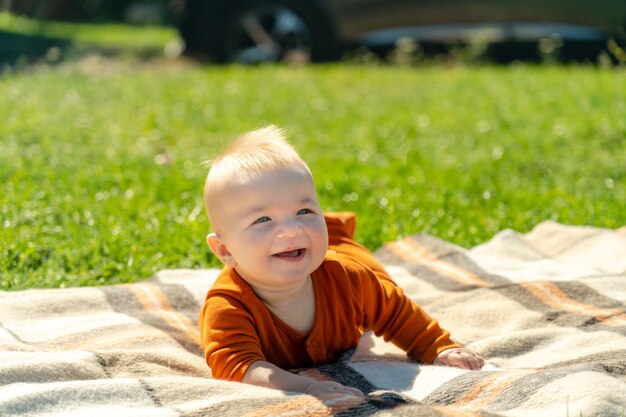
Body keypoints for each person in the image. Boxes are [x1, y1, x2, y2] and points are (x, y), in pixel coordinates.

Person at [198, 125, 484, 398]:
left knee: (373, 275)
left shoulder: (350, 277)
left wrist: (438, 347)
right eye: (263, 219)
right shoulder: (228, 306)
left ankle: (335, 229)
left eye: (304, 211)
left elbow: (397, 313)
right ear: (225, 250)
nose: (291, 229)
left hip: (348, 255)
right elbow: (237, 368)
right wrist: (307, 388)